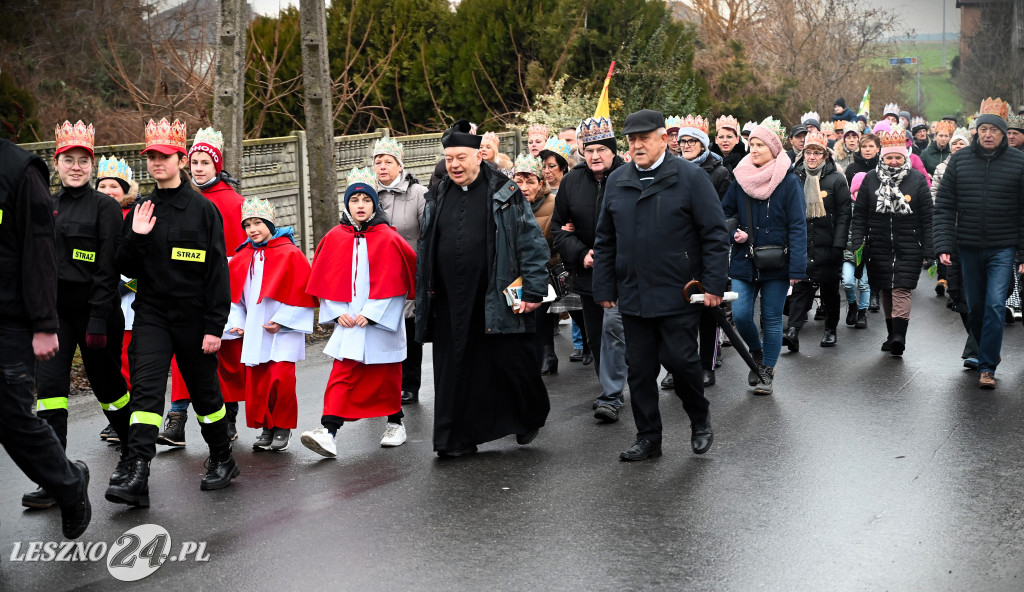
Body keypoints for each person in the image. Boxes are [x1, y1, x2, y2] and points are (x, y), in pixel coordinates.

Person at [107, 118, 238, 508]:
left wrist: (215, 326)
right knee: (146, 391)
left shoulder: (203, 211)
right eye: (151, 157)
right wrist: (135, 236)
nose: (156, 162)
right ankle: (138, 471)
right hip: (151, 315)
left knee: (205, 395)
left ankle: (222, 457)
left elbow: (217, 273)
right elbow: (124, 266)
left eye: (164, 156)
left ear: (181, 159)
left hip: (195, 318)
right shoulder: (143, 209)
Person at [592, 109, 728, 460]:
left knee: (681, 362)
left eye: (644, 139)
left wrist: (713, 284)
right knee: (639, 370)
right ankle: (649, 437)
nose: (637, 146)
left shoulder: (690, 177)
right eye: (631, 140)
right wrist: (604, 287)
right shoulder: (617, 180)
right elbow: (605, 239)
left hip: (679, 291)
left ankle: (699, 418)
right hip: (633, 293)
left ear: (663, 139)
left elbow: (714, 234)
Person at [415, 119, 550, 457]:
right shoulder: (438, 194)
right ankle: (453, 439)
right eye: (449, 159)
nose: (454, 165)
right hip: (447, 297)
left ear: (478, 156)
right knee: (453, 367)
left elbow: (530, 242)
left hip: (494, 292)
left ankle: (528, 414)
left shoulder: (505, 191)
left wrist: (533, 289)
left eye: (461, 157)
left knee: (510, 360)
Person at [26, 122, 129, 510]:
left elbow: (107, 268)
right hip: (54, 316)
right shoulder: (44, 205)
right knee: (50, 393)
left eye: (82, 160)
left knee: (108, 388)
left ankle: (135, 454)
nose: (75, 167)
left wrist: (100, 318)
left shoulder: (105, 207)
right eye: (67, 160)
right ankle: (55, 478)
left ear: (92, 164)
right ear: (57, 164)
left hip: (95, 313)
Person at [0, 136, 91, 538]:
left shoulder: (20, 170)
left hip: (10, 319)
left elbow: (40, 251)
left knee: (13, 418)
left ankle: (68, 486)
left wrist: (43, 323)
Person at [301, 167, 416, 456]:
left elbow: (400, 280)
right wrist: (336, 311)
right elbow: (325, 279)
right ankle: (328, 430)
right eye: (355, 200)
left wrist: (375, 312)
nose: (361, 205)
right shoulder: (335, 237)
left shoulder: (389, 237)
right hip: (350, 321)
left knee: (386, 374)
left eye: (366, 199)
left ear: (375, 204)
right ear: (347, 204)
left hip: (379, 322)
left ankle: (395, 422)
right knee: (342, 373)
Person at [159, 128, 248, 447]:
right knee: (183, 358)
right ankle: (177, 418)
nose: (197, 168)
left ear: (216, 166)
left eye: (204, 163)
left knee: (227, 358)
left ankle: (230, 418)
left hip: (225, 290)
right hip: (184, 292)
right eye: (193, 161)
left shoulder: (236, 202)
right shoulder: (181, 199)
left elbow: (242, 252)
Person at [934, 98, 1024, 389]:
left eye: (994, 130)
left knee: (996, 305)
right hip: (968, 245)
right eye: (983, 129)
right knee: (974, 308)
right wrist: (944, 244)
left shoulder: (1018, 162)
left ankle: (987, 366)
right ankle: (984, 349)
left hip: (1003, 246)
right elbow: (945, 205)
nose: (988, 134)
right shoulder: (959, 161)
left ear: (1003, 134)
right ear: (976, 132)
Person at [549, 117, 629, 423]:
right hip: (589, 273)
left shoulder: (629, 175)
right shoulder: (572, 181)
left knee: (621, 330)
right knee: (598, 335)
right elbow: (558, 228)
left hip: (626, 271)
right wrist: (582, 254)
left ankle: (620, 388)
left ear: (612, 150)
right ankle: (611, 390)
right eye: (589, 150)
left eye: (601, 150)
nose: (594, 156)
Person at [721, 117, 807, 395]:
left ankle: (767, 371)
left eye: (759, 144)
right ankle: (756, 353)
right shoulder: (740, 176)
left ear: (773, 147)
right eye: (751, 144)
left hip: (777, 262)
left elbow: (797, 225)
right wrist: (734, 230)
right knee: (742, 314)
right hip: (744, 259)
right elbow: (725, 212)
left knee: (771, 318)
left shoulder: (788, 180)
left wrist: (797, 268)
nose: (754, 149)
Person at [227, 198, 315, 451]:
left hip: (283, 332)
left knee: (281, 379)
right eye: (247, 225)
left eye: (257, 223)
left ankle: (283, 426)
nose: (252, 229)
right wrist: (239, 323)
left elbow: (303, 293)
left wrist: (283, 321)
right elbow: (235, 297)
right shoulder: (243, 256)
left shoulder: (290, 253)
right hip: (256, 330)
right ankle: (267, 426)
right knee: (260, 381)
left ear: (269, 223)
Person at [849, 128, 933, 357]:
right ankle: (891, 334)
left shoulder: (916, 179)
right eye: (889, 157)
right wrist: (858, 243)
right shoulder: (870, 179)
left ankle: (899, 336)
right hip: (879, 245)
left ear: (905, 157)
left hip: (909, 245)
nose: (894, 161)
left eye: (898, 157)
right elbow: (860, 216)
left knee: (901, 289)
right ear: (882, 157)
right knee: (887, 288)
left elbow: (928, 216)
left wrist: (929, 248)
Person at [675, 114, 733, 386]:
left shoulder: (719, 172)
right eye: (681, 141)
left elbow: (725, 214)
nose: (685, 145)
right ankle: (679, 368)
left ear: (702, 144)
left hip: (705, 250)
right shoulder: (671, 170)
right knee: (677, 315)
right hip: (677, 252)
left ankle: (706, 364)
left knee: (708, 312)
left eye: (691, 141)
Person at [372, 137, 428, 405]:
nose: (383, 167)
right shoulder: (367, 195)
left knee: (408, 327)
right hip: (377, 273)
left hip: (409, 270)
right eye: (378, 161)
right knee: (379, 327)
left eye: (388, 161)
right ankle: (381, 382)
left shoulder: (418, 193)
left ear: (400, 165)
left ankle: (409, 383)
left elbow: (427, 233)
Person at [783, 130, 851, 350]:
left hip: (828, 242)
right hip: (802, 242)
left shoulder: (836, 179)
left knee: (830, 289)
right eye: (808, 152)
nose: (812, 157)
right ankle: (793, 330)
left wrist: (839, 244)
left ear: (825, 156)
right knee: (801, 286)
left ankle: (830, 330)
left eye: (817, 153)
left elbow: (844, 214)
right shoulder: (794, 176)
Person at [95, 156, 139, 444]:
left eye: (115, 186)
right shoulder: (91, 214)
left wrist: (126, 284)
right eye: (103, 185)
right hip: (102, 301)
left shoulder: (136, 216)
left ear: (126, 191)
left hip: (131, 303)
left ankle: (133, 416)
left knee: (129, 361)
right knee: (111, 362)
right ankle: (117, 417)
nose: (109, 190)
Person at [513, 154, 560, 375]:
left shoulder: (553, 204)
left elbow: (558, 239)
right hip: (515, 275)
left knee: (541, 316)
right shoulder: (507, 204)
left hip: (548, 270)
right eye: (518, 181)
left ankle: (548, 354)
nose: (524, 187)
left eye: (530, 181)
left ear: (541, 183)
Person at [842, 172, 871, 329]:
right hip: (848, 252)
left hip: (866, 254)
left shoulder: (872, 207)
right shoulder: (846, 208)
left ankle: (862, 311)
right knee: (847, 282)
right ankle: (852, 305)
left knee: (864, 284)